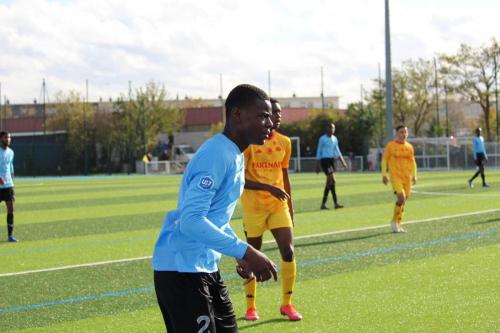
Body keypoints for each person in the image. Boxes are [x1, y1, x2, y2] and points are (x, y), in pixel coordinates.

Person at [152, 84, 278, 333]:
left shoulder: (235, 154)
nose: (270, 123)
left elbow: (214, 219)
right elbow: (191, 220)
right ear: (237, 115)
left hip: (204, 266)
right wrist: (246, 250)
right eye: (263, 116)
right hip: (182, 270)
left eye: (270, 116)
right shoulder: (216, 155)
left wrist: (240, 253)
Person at [240, 98, 302, 322]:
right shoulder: (250, 144)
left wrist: (290, 208)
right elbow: (241, 179)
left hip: (278, 206)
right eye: (274, 112)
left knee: (289, 251)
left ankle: (287, 304)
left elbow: (285, 177)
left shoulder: (285, 142)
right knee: (250, 257)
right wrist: (267, 187)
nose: (278, 116)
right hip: (253, 208)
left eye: (280, 113)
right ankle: (250, 306)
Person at [381, 125, 417, 233]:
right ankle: (394, 222)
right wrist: (384, 174)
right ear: (397, 133)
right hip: (395, 177)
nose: (404, 134)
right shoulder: (390, 146)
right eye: (401, 132)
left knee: (403, 201)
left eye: (405, 132)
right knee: (401, 198)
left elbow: (413, 162)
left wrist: (415, 175)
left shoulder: (409, 147)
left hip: (406, 177)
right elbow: (384, 160)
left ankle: (398, 223)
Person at [315, 123, 347, 210]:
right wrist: (317, 164)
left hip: (332, 161)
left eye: (333, 128)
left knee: (330, 183)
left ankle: (327, 204)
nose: (332, 129)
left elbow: (337, 150)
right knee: (332, 180)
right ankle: (334, 203)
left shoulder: (334, 139)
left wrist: (343, 161)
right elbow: (319, 150)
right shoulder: (322, 139)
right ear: (327, 128)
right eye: (331, 128)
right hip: (325, 161)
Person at [0, 131, 17, 242]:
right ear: (1, 138)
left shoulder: (11, 152)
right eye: (6, 137)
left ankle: (10, 236)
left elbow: (11, 167)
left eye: (9, 137)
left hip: (8, 186)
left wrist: (12, 184)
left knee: (11, 210)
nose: (8, 139)